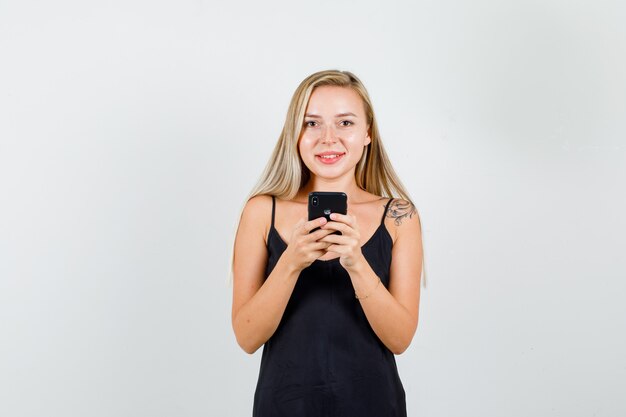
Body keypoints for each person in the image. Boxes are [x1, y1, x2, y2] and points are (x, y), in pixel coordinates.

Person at [231, 69, 423, 417]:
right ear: (296, 134)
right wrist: (292, 262)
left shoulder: (399, 215)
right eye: (312, 123)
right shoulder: (262, 211)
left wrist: (356, 263)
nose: (328, 138)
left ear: (367, 133)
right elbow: (247, 338)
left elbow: (400, 338)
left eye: (345, 123)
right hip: (285, 406)